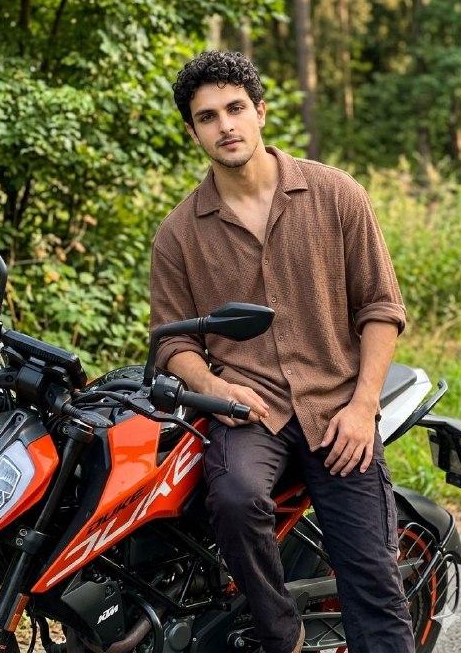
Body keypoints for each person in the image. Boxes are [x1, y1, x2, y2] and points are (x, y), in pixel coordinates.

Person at [149, 50, 415, 653]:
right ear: (193, 132)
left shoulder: (336, 194)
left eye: (235, 108)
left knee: (374, 582)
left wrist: (362, 407)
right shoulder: (178, 234)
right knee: (235, 499)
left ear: (261, 112)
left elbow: (380, 307)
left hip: (337, 405)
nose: (226, 126)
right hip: (251, 413)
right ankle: (281, 634)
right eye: (208, 117)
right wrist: (215, 388)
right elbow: (174, 341)